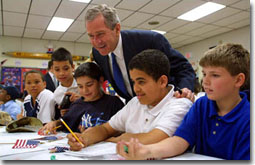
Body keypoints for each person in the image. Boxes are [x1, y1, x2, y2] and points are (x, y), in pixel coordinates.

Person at [116, 43, 250, 160]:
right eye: (204, 74)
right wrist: (147, 151)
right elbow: (180, 141)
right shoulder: (201, 105)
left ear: (238, 80)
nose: (205, 81)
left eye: (215, 75)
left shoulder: (248, 119)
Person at [67, 49, 192, 151]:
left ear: (162, 81)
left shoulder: (180, 104)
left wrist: (119, 138)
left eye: (141, 82)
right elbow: (105, 129)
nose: (136, 88)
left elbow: (156, 137)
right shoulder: (135, 103)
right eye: (133, 82)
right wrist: (84, 139)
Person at [85, 4, 196, 102]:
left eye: (100, 34)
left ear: (117, 29)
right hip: (135, 106)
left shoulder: (150, 41)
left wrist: (184, 89)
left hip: (166, 102)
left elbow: (183, 68)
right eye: (91, 36)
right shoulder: (97, 53)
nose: (96, 41)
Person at [39, 62, 124, 134]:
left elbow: (122, 130)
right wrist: (54, 123)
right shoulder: (77, 105)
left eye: (89, 85)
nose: (85, 90)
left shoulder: (114, 103)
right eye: (80, 86)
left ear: (101, 81)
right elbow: (65, 123)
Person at [51, 47, 80, 118]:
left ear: (73, 67)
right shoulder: (57, 94)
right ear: (52, 70)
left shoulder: (83, 83)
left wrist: (83, 99)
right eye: (57, 70)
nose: (61, 73)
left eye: (66, 68)